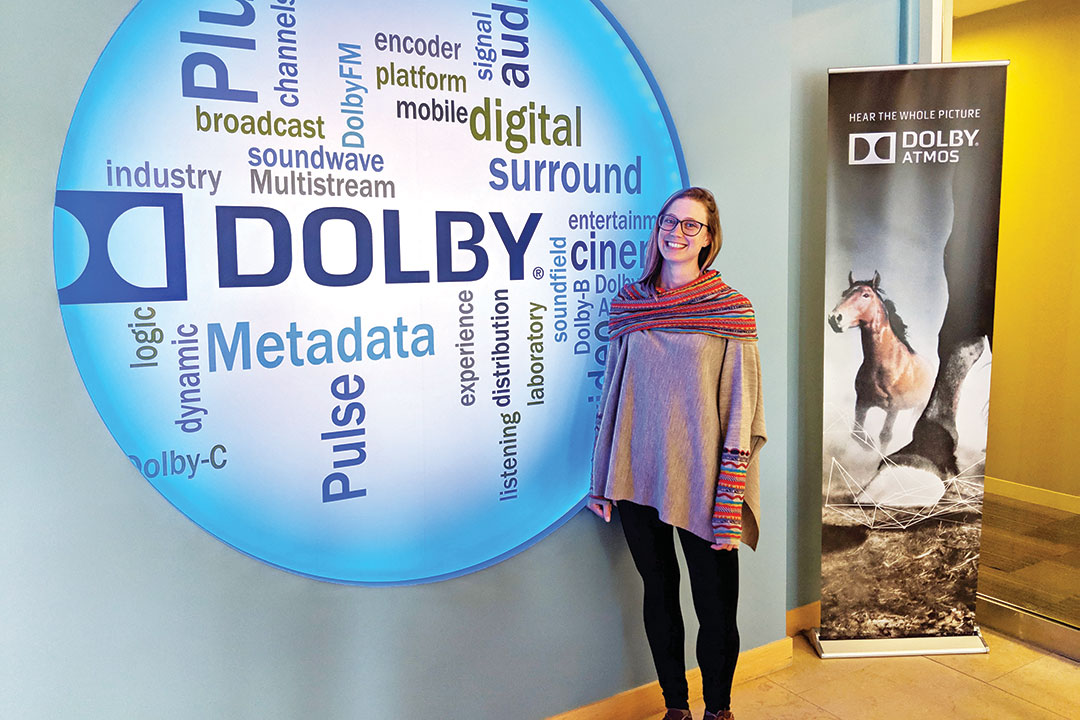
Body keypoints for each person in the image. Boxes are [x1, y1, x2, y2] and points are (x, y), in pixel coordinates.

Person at [588, 187, 766, 720]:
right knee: (659, 594)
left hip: (708, 480)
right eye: (671, 221)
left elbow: (743, 406)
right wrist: (602, 479)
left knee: (716, 608)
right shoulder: (631, 304)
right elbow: (614, 395)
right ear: (658, 228)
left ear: (710, 238)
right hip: (637, 475)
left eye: (693, 225)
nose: (678, 232)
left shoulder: (730, 310)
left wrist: (731, 494)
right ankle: (676, 710)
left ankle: (718, 711)